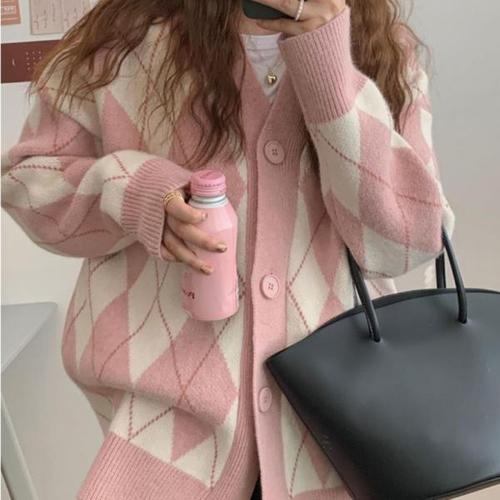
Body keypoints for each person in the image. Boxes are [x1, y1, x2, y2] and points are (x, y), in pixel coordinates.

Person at [1, 0, 455, 498]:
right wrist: (132, 192)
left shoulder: (380, 49)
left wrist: (329, 66)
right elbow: (27, 185)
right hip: (165, 446)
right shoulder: (125, 39)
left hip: (336, 436)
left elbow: (407, 245)